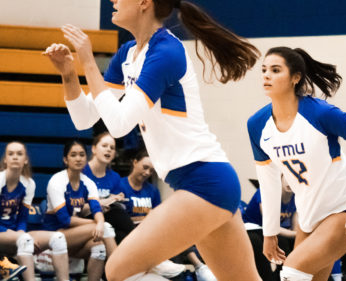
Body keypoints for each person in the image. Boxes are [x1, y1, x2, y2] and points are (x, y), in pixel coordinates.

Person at [44, 0, 261, 279]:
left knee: (118, 269)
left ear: (144, 3)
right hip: (205, 184)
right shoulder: (128, 54)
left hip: (206, 183)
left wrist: (88, 60)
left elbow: (120, 125)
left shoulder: (166, 51)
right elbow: (84, 119)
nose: (113, 1)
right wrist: (69, 73)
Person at [247, 47, 346, 281]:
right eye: (264, 70)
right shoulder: (257, 124)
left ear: (295, 77)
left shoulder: (321, 113)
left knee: (291, 271)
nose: (266, 75)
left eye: (275, 70)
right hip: (310, 218)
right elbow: (268, 183)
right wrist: (269, 233)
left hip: (345, 208)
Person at [121, 150, 216, 281]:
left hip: (151, 229)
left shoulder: (152, 189)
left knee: (176, 226)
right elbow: (120, 218)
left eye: (151, 171)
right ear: (135, 162)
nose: (147, 173)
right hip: (132, 232)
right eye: (145, 167)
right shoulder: (120, 185)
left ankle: (199, 267)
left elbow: (157, 213)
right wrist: (144, 219)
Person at [44, 140, 117, 281]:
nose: (78, 158)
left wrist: (100, 222)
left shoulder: (88, 183)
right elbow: (64, 219)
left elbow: (96, 209)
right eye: (73, 155)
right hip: (54, 235)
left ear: (86, 158)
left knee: (99, 247)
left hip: (75, 238)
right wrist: (97, 224)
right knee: (106, 228)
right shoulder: (57, 181)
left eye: (82, 155)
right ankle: (123, 274)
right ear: (65, 160)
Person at [0, 141, 70, 281]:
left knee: (58, 239)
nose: (15, 157)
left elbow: (23, 218)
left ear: (25, 160)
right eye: (11, 154)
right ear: (5, 159)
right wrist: (17, 235)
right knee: (25, 239)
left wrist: (19, 232)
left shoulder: (29, 184)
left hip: (14, 234)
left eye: (19, 154)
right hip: (4, 232)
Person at [82, 132, 135, 244]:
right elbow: (77, 208)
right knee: (117, 215)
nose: (109, 150)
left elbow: (120, 204)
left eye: (112, 148)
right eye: (104, 146)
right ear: (94, 149)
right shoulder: (82, 172)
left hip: (108, 220)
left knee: (121, 235)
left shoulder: (115, 177)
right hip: (86, 219)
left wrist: (117, 200)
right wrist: (102, 203)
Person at [243, 175, 297, 281]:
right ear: (280, 176)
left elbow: (296, 229)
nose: (291, 181)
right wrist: (297, 234)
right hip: (252, 229)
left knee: (297, 242)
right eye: (288, 176)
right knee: (282, 242)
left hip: (275, 232)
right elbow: (270, 225)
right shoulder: (266, 191)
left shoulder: (297, 197)